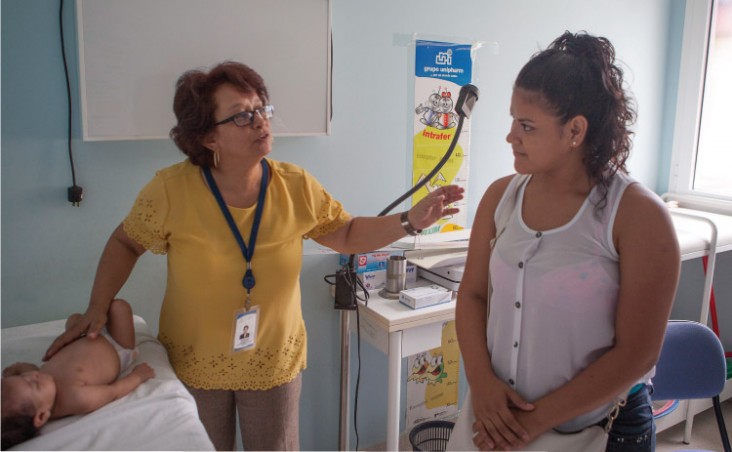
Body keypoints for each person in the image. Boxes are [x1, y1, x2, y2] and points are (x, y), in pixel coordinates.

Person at [42, 61, 464, 451]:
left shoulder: (295, 185)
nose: (260, 121)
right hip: (195, 362)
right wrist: (97, 306)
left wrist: (410, 220)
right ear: (209, 137)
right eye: (242, 115)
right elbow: (126, 242)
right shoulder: (171, 190)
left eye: (262, 109)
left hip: (271, 361)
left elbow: (348, 233)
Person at [455, 31, 680, 451]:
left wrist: (531, 423)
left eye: (527, 126)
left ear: (575, 131)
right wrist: (481, 384)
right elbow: (471, 296)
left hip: (599, 429)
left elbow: (637, 354)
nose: (510, 137)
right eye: (512, 120)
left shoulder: (636, 216)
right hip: (497, 418)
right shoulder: (499, 197)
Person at [1, 299, 155, 450]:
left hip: (84, 336)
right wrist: (138, 377)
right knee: (119, 306)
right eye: (32, 383)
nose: (33, 374)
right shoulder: (77, 398)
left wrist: (19, 367)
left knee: (74, 318)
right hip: (117, 347)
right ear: (41, 416)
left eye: (22, 378)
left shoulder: (41, 386)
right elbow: (113, 392)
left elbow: (32, 369)